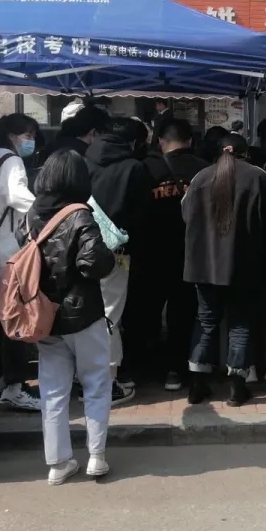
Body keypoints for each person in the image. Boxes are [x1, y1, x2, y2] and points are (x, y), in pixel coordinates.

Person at [23, 150, 116, 485]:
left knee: (52, 391)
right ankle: (96, 456)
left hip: (45, 315)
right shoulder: (80, 214)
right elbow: (94, 262)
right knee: (95, 383)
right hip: (84, 313)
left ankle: (58, 463)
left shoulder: (31, 214)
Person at [183, 133, 266, 406]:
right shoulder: (258, 178)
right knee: (240, 323)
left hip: (204, 264)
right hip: (245, 265)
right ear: (245, 153)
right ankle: (237, 388)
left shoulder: (200, 178)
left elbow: (186, 214)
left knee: (205, 321)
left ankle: (197, 386)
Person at [85, 117, 153, 404]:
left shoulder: (83, 161)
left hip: (81, 248)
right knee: (110, 314)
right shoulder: (134, 167)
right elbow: (142, 215)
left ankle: (87, 376)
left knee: (85, 314)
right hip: (116, 252)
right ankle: (107, 381)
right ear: (135, 142)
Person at [142, 118, 209, 391]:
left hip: (154, 251)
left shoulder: (147, 169)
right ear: (190, 141)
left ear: (160, 141)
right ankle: (176, 370)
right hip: (190, 252)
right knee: (182, 314)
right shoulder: (204, 170)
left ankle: (144, 365)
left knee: (148, 309)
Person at [0, 113, 41, 412]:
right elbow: (19, 197)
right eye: (28, 135)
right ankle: (15, 387)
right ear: (12, 136)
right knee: (15, 320)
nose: (31, 141)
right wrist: (47, 210)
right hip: (6, 253)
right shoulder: (12, 161)